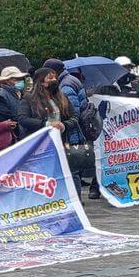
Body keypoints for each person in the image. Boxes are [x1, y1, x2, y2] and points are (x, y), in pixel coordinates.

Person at [18, 68, 86, 196]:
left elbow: (74, 117)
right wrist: (46, 125)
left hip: (60, 143)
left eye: (55, 77)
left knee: (69, 173)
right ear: (41, 81)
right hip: (39, 145)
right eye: (50, 78)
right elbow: (23, 118)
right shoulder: (29, 98)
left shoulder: (62, 97)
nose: (54, 80)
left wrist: (64, 125)